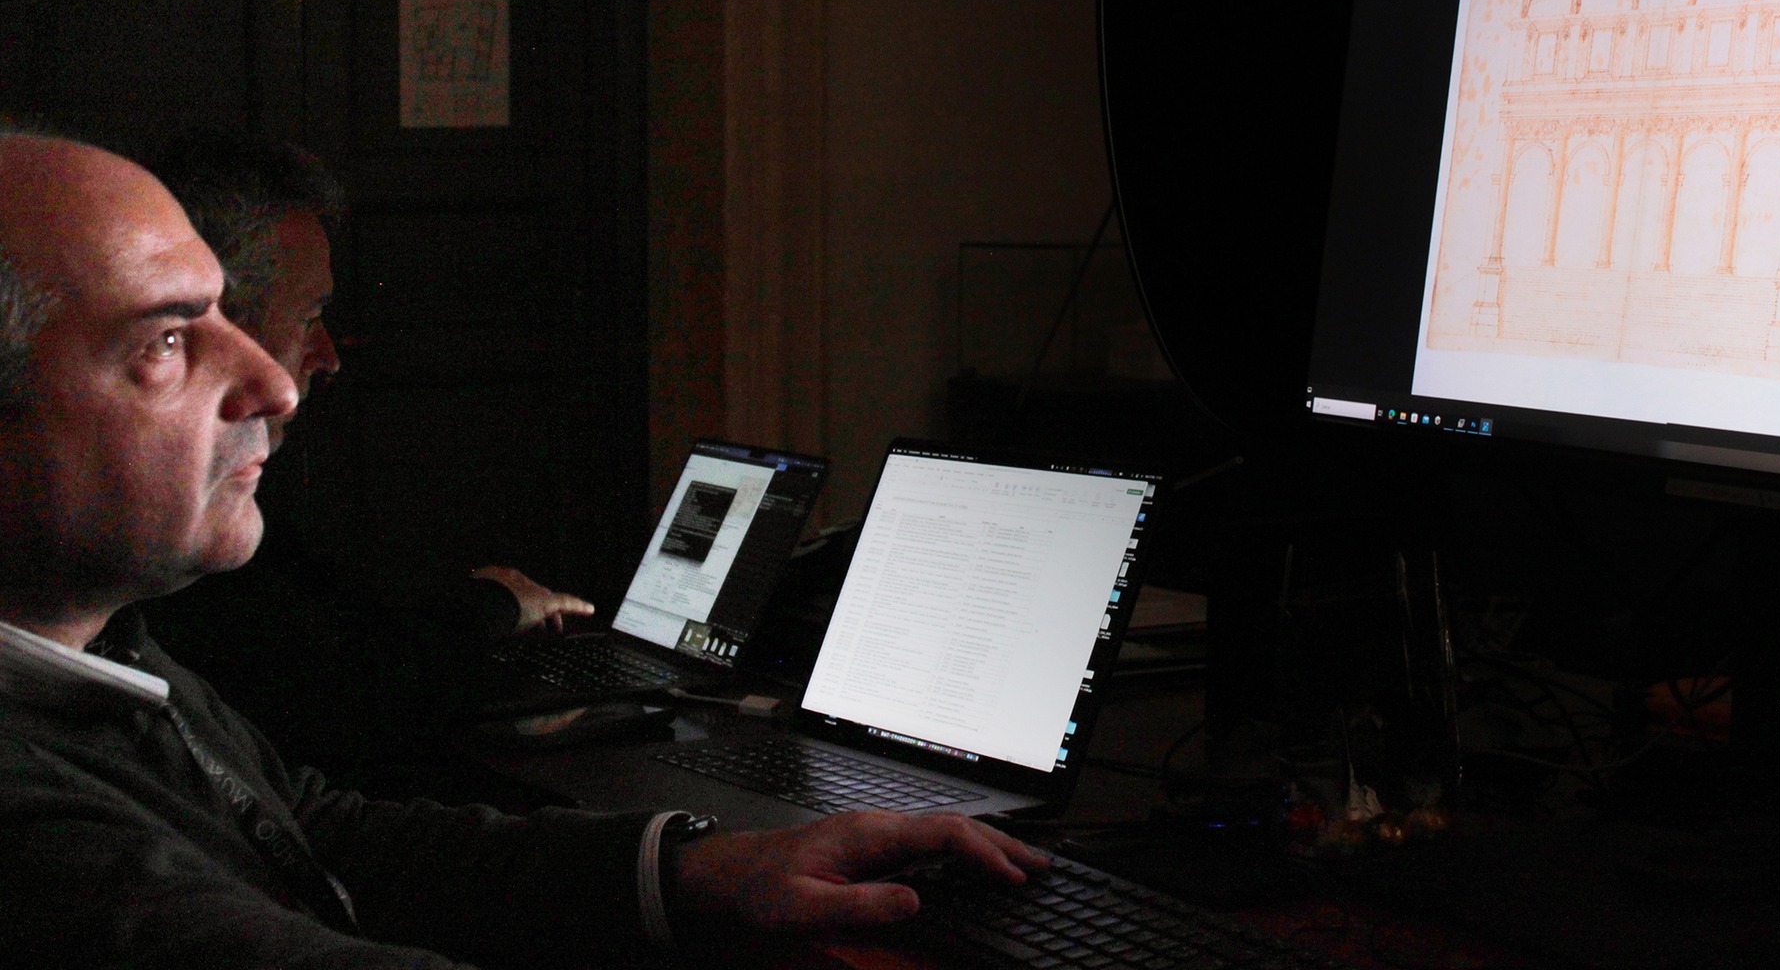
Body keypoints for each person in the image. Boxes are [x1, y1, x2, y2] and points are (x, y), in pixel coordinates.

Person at [0, 125, 1044, 967]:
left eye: (230, 319)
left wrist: (703, 869)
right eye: (166, 341)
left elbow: (311, 832)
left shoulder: (101, 644)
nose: (275, 385)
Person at [133, 130, 591, 800]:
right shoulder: (167, 533)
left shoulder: (228, 498)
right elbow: (336, 695)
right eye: (308, 317)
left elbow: (334, 639)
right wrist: (491, 610)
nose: (327, 356)